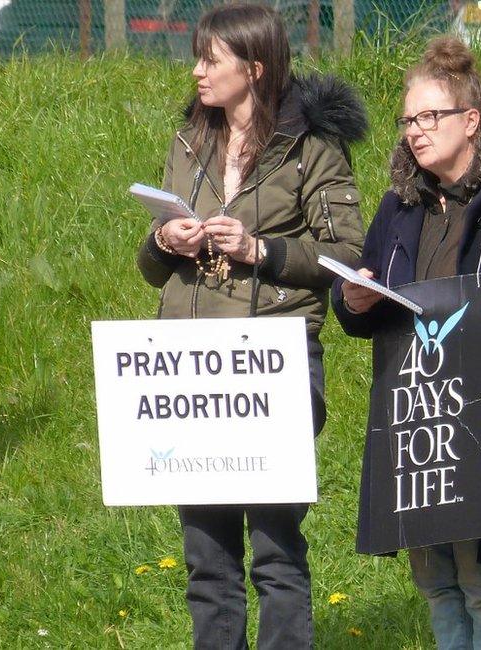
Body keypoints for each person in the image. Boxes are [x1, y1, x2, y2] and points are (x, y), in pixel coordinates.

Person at [136, 5, 366, 648]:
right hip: (193, 368)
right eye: (197, 57)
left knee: (275, 546)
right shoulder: (189, 139)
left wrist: (259, 250)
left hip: (273, 364)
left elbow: (347, 255)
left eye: (211, 59)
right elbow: (151, 268)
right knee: (206, 558)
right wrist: (165, 238)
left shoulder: (311, 147)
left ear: (255, 68)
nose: (197, 71)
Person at [332, 36, 481, 650]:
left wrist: (474, 323)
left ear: (471, 120)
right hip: (417, 421)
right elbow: (366, 304)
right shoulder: (399, 206)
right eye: (407, 120)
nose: (414, 132)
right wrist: (352, 301)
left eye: (429, 117)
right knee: (434, 583)